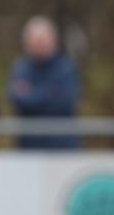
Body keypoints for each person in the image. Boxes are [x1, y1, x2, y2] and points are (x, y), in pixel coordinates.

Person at [7, 15, 80, 149]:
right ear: (26, 43)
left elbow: (64, 102)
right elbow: (15, 98)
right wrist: (49, 93)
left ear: (54, 41)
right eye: (35, 41)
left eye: (42, 41)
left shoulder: (66, 68)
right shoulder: (20, 68)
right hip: (28, 149)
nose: (39, 46)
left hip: (63, 149)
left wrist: (31, 94)